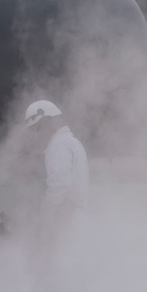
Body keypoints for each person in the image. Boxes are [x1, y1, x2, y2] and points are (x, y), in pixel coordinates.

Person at [24, 100, 89, 240]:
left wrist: (44, 215)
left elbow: (59, 186)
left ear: (48, 121)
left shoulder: (58, 145)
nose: (36, 135)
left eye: (37, 128)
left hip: (67, 221)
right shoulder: (71, 141)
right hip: (77, 218)